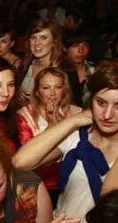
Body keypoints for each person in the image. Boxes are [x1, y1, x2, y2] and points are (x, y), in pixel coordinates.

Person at [12, 61, 118, 223]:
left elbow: (114, 208)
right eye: (101, 102)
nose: (107, 114)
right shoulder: (79, 136)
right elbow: (21, 162)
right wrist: (74, 121)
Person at [16, 67, 83, 205]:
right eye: (46, 88)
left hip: (72, 186)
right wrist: (52, 126)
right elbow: (31, 160)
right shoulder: (23, 116)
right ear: (37, 92)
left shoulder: (78, 114)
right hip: (36, 186)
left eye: (58, 87)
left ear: (64, 90)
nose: (52, 93)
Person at [17, 18, 64, 105]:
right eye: (33, 38)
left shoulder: (65, 70)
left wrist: (37, 100)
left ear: (54, 42)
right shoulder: (25, 65)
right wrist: (19, 96)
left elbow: (70, 105)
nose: (37, 43)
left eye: (43, 38)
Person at [61, 29, 98, 107]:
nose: (81, 51)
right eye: (75, 45)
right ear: (65, 48)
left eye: (86, 45)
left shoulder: (95, 71)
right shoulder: (58, 71)